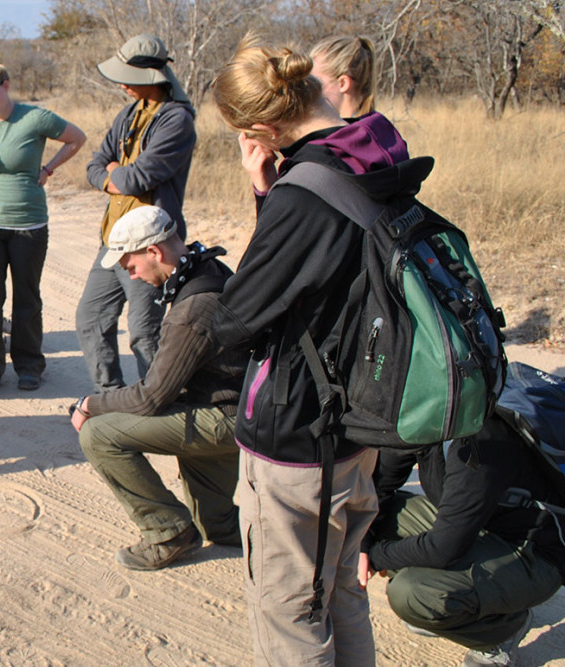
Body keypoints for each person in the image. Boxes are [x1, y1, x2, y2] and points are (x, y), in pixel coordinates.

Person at [210, 33, 420, 664]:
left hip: (299, 435)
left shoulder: (304, 192)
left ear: (265, 124)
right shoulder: (378, 146)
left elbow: (237, 318)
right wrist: (269, 189)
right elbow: (323, 272)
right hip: (358, 420)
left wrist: (271, 196)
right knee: (338, 596)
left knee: (289, 612)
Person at [70, 205, 246, 571]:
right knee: (218, 525)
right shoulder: (206, 267)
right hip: (235, 407)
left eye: (130, 266)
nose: (131, 277)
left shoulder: (191, 310)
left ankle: (168, 533)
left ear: (154, 252)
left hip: (226, 418)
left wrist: (90, 403)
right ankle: (301, 531)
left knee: (98, 434)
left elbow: (152, 397)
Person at [362, 418, 565, 667]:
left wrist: (373, 556)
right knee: (383, 521)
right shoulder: (424, 419)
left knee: (411, 594)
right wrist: (363, 544)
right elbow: (378, 489)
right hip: (475, 529)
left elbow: (442, 548)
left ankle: (503, 631)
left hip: (534, 555)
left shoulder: (480, 440)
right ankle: (465, 601)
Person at [0, 52, 86, 394]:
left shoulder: (35, 118)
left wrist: (48, 169)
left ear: (6, 86)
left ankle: (29, 366)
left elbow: (77, 138)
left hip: (29, 224)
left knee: (27, 297)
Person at [76, 34, 196, 393]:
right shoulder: (128, 113)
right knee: (91, 319)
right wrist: (112, 176)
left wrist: (115, 175)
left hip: (148, 245)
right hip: (113, 241)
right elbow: (95, 165)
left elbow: (137, 177)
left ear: (150, 74)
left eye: (129, 75)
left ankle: (161, 405)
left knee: (145, 334)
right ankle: (112, 399)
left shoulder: (177, 120)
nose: (123, 83)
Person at [242, 34, 377, 199]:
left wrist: (265, 193)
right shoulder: (378, 135)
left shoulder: (330, 154)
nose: (307, 89)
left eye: (314, 81)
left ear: (343, 83)